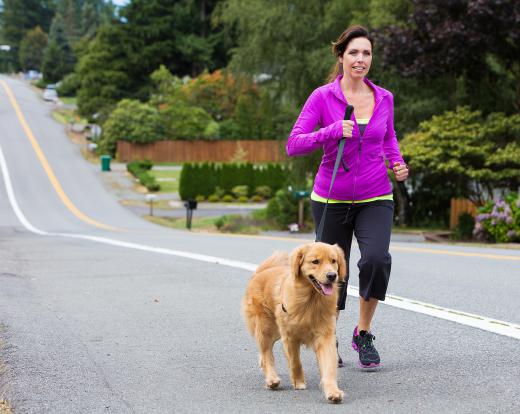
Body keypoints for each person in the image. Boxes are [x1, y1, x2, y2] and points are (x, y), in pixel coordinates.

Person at [286, 25, 409, 370]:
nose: (360, 59)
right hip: (330, 199)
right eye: (353, 53)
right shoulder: (322, 97)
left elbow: (388, 140)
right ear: (341, 57)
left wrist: (397, 164)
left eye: (366, 53)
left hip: (376, 195)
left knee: (375, 260)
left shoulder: (384, 97)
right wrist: (330, 131)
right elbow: (293, 144)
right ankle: (329, 334)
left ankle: (363, 333)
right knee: (330, 273)